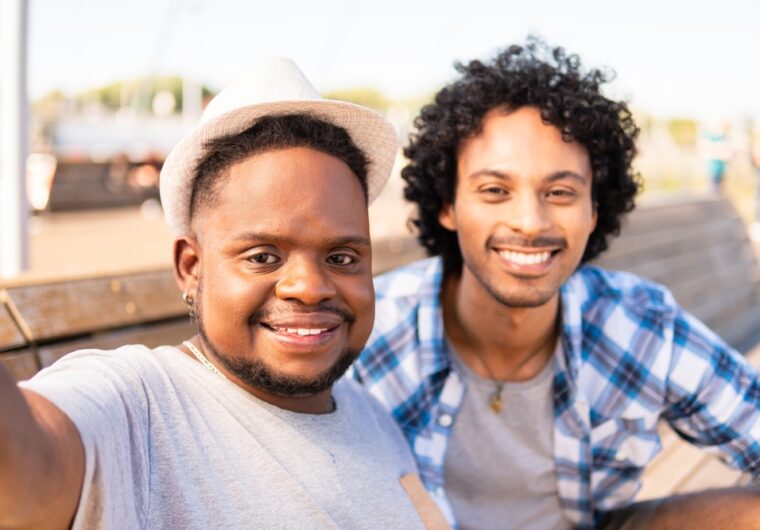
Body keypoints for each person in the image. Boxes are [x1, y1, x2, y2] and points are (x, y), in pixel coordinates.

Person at [0, 58, 439, 529]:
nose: (310, 288)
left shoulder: (369, 415)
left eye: (342, 258)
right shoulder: (137, 407)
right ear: (191, 268)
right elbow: (29, 463)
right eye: (263, 256)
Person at [354, 38, 760, 530]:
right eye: (494, 191)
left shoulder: (640, 323)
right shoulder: (376, 330)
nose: (529, 220)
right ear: (447, 205)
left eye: (560, 191)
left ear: (594, 211)